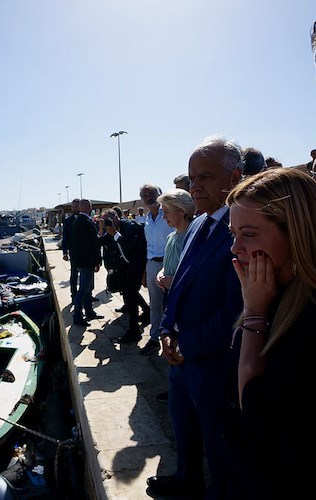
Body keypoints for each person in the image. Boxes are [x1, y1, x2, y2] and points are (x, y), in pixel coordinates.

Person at [147, 136, 244, 499]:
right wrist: (167, 328)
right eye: (191, 178)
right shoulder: (199, 225)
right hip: (181, 356)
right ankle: (186, 478)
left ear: (233, 177)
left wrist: (185, 343)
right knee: (183, 429)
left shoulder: (239, 229)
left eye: (204, 177)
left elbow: (234, 312)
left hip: (214, 362)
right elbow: (181, 285)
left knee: (219, 443)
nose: (194, 186)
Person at [225, 168, 316, 500]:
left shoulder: (306, 319)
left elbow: (257, 411)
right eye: (233, 233)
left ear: (297, 234)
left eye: (248, 234)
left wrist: (255, 315)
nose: (235, 248)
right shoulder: (266, 292)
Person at [153, 189, 195, 404]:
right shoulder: (171, 237)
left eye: (167, 211)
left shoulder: (193, 237)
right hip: (170, 298)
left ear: (181, 211)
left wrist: (174, 281)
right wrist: (162, 273)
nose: (164, 216)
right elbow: (168, 264)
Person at [99, 209, 149, 342]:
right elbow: (100, 242)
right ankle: (146, 312)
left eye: (109, 220)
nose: (108, 223)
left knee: (130, 295)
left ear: (116, 217)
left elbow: (131, 250)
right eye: (105, 221)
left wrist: (115, 234)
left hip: (136, 265)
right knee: (129, 294)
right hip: (124, 268)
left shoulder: (130, 227)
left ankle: (134, 331)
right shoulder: (109, 230)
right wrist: (101, 230)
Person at [139, 184, 172, 353]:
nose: (149, 197)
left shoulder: (168, 214)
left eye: (152, 194)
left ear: (160, 194)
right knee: (155, 304)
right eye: (145, 195)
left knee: (171, 302)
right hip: (152, 263)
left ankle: (172, 339)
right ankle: (153, 338)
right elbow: (149, 245)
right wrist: (146, 271)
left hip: (169, 263)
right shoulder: (146, 220)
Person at [70, 199, 103, 327]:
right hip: (87, 262)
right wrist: (97, 261)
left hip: (81, 261)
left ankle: (89, 311)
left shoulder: (77, 221)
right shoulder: (87, 222)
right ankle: (77, 315)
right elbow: (93, 244)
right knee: (84, 289)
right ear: (89, 207)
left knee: (87, 289)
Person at [62, 198, 80, 301]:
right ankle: (74, 295)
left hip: (84, 253)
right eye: (72, 207)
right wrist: (65, 253)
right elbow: (65, 238)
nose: (74, 209)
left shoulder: (85, 219)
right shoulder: (68, 221)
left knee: (86, 276)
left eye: (76, 206)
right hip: (73, 253)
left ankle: (88, 295)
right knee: (74, 275)